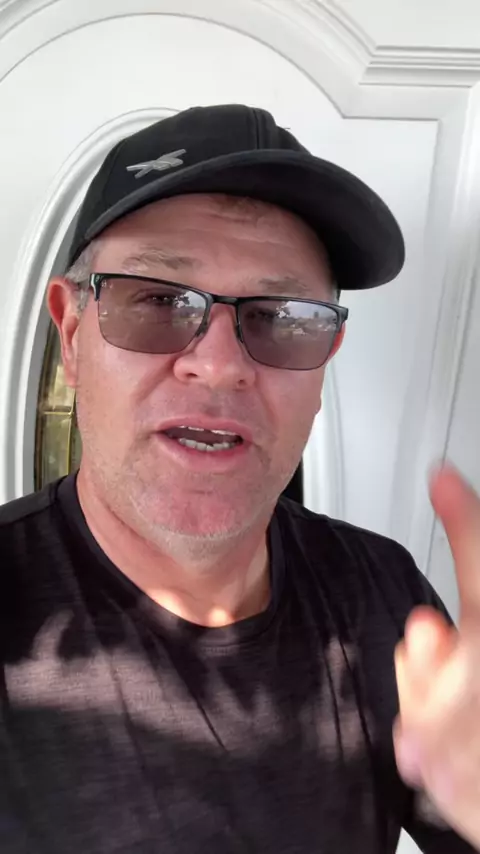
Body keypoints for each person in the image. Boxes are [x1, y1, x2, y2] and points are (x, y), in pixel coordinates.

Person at [0, 104, 477, 854]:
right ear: (73, 331)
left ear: (326, 359)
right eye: (158, 299)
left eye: (281, 315)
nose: (220, 365)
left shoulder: (384, 594)